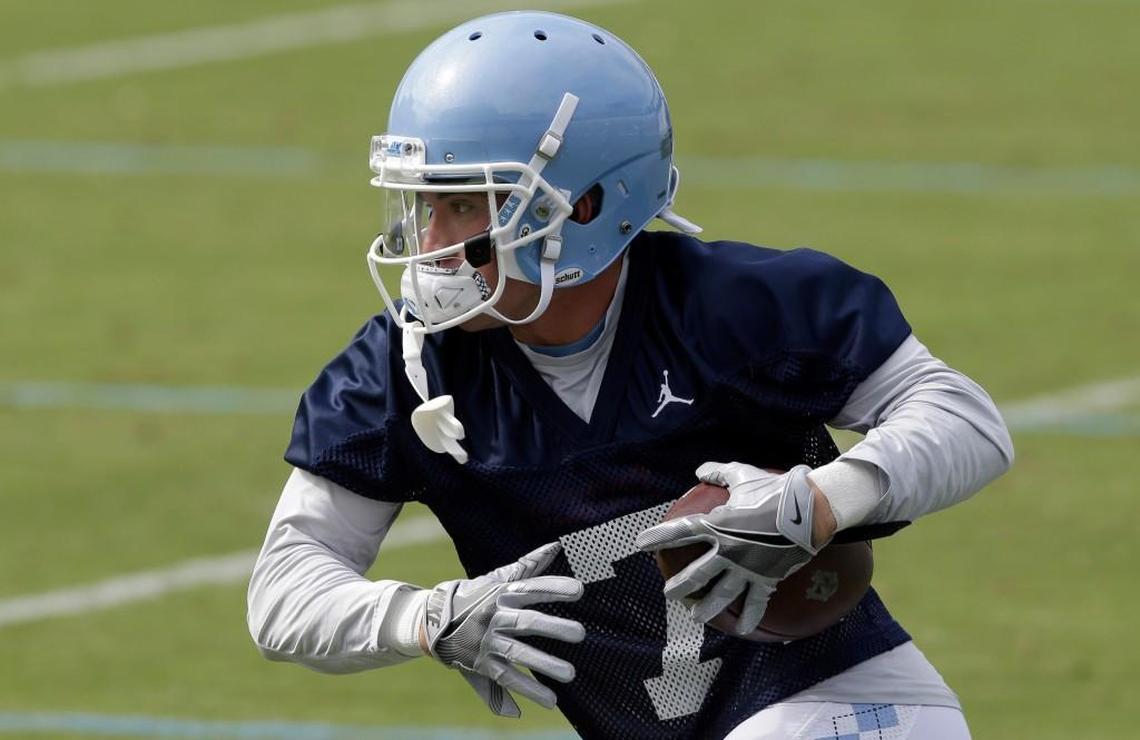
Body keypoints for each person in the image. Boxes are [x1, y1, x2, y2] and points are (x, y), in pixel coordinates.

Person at [246, 11, 1013, 740]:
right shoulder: (402, 366)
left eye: (459, 207)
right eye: (421, 206)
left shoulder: (727, 307)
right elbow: (285, 589)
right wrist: (426, 617)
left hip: (835, 701)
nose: (431, 244)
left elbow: (965, 419)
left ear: (581, 208)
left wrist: (815, 502)